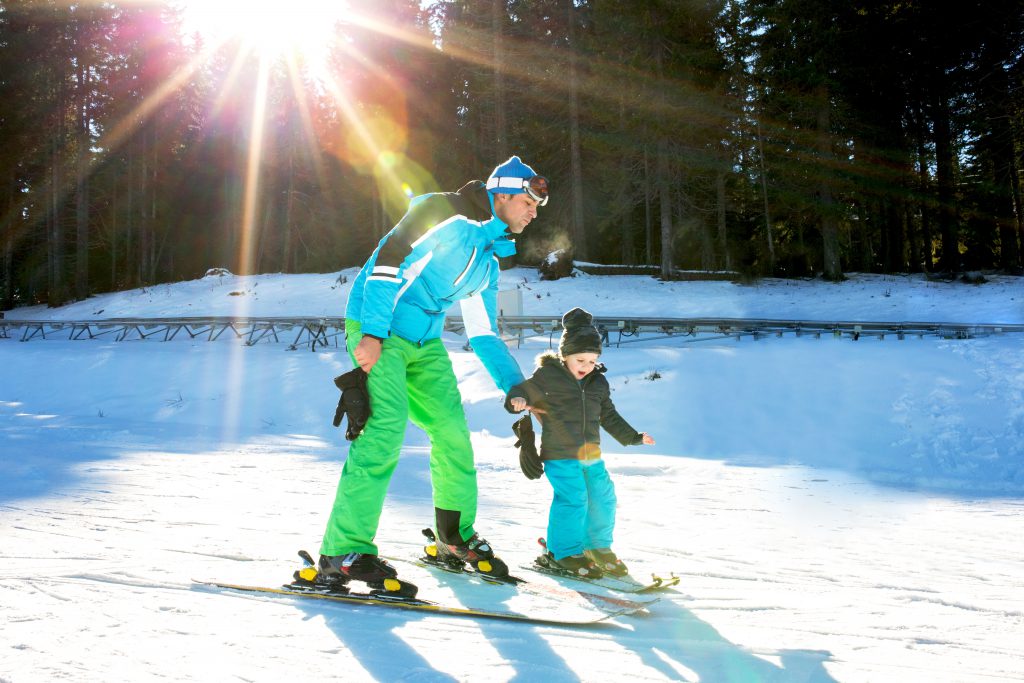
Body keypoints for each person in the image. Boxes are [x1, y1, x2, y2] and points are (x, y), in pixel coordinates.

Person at [318, 156, 549, 594]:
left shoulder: (488, 261)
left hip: (424, 344)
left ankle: (453, 536)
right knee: (385, 427)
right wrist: (370, 333)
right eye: (527, 201)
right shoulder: (444, 212)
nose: (533, 212)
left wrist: (520, 388)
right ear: (501, 194)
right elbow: (389, 259)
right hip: (379, 328)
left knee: (452, 431)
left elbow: (483, 334)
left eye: (537, 206)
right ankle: (341, 553)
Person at [506, 307, 655, 578]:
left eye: (592, 361)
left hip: (591, 455)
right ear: (565, 356)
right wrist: (516, 398)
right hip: (560, 455)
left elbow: (608, 416)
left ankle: (597, 547)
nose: (587, 366)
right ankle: (562, 553)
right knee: (574, 499)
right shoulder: (549, 376)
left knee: (603, 497)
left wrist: (633, 436)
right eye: (581, 360)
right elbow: (525, 390)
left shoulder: (598, 382)